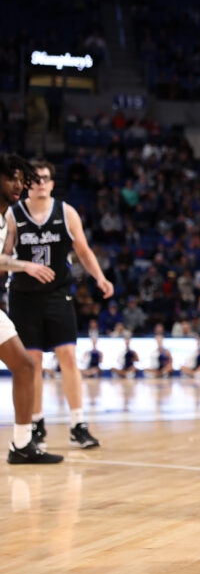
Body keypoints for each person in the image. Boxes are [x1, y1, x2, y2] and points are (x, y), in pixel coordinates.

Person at [4, 159, 110, 450]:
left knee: (68, 357)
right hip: (24, 296)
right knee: (33, 362)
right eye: (34, 179)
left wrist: (100, 278)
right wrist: (24, 266)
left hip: (57, 294)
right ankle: (36, 422)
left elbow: (83, 250)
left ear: (52, 183)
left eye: (45, 179)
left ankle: (78, 424)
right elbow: (4, 258)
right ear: (27, 184)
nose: (40, 183)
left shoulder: (66, 212)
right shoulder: (13, 216)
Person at [0, 155, 63, 463]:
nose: (19, 185)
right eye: (12, 178)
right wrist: (24, 265)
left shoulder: (4, 219)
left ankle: (22, 444)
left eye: (21, 180)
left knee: (25, 368)